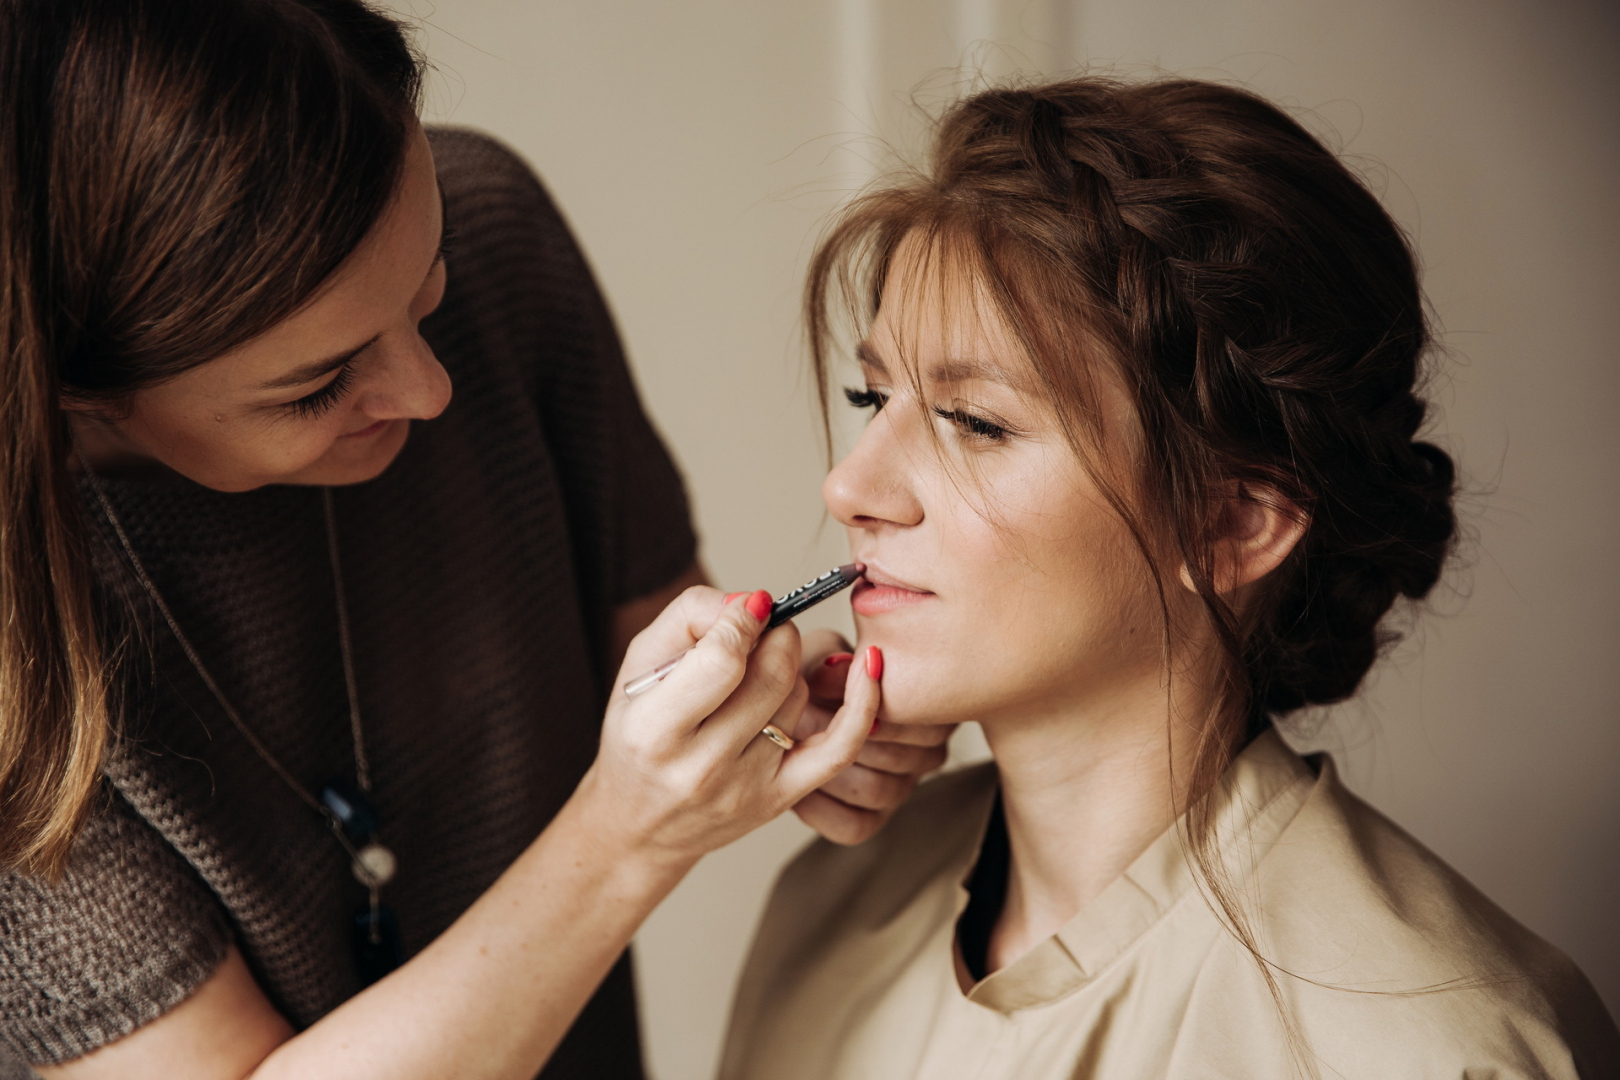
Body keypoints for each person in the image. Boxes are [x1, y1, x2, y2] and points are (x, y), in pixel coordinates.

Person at [0, 2, 953, 1077]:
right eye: (320, 386)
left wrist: (783, 722)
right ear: (73, 387)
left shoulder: (498, 229)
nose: (431, 388)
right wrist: (624, 837)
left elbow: (653, 651)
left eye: (429, 286)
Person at [719, 76, 1620, 1079]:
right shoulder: (829, 908)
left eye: (975, 421)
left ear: (1232, 522)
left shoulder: (1443, 1050)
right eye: (871, 393)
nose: (849, 485)